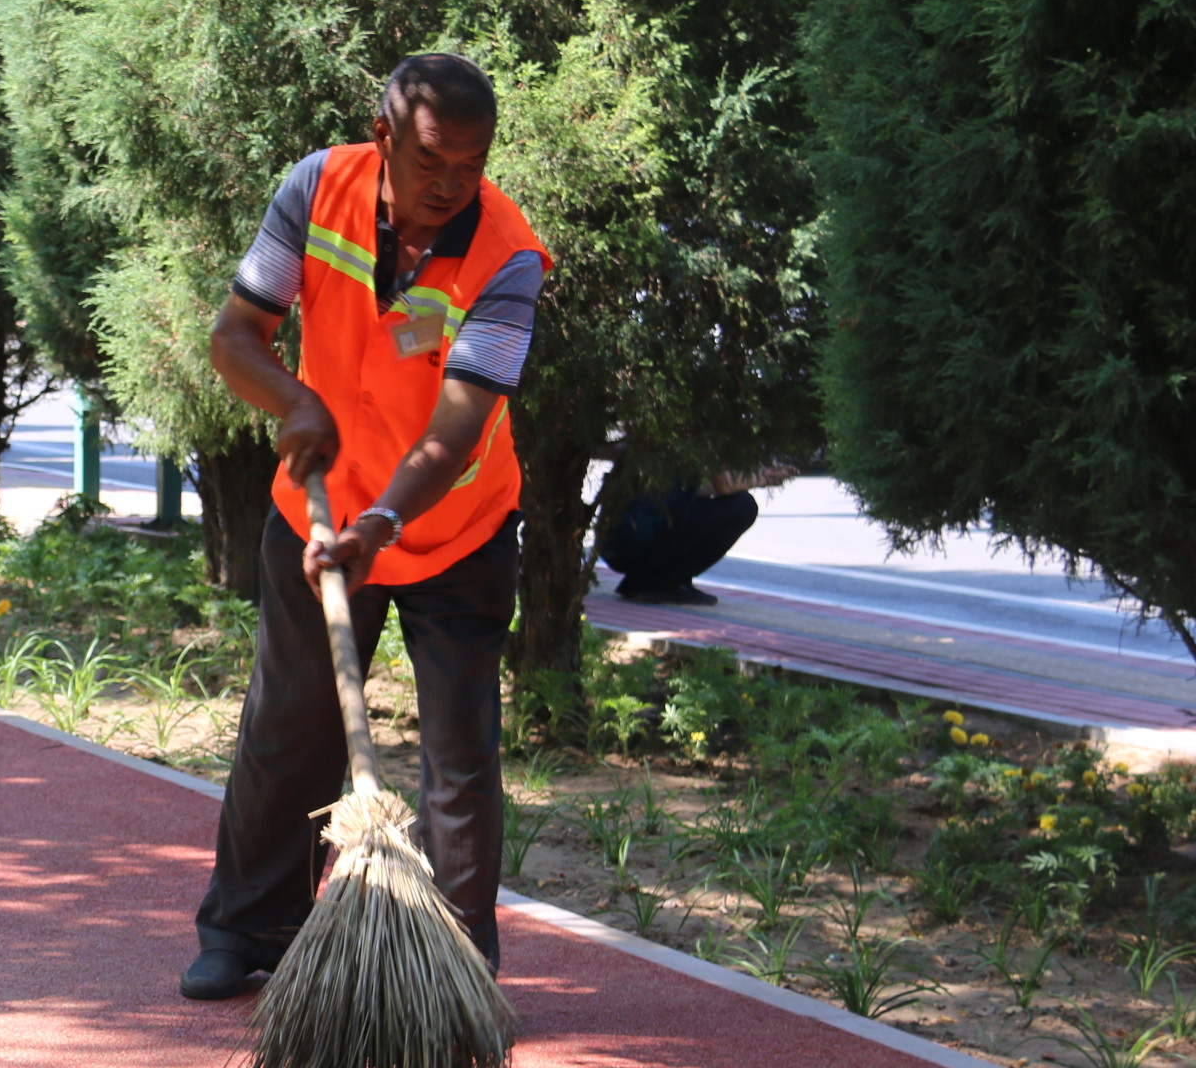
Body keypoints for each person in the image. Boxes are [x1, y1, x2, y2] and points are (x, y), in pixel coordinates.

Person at [181, 54, 550, 1002]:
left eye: (473, 164)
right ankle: (246, 927)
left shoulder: (507, 256)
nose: (452, 185)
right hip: (315, 513)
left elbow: (460, 424)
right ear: (382, 137)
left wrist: (384, 519)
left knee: (459, 759)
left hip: (454, 527)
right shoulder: (316, 188)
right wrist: (293, 402)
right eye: (432, 160)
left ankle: (459, 970)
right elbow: (237, 337)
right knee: (285, 727)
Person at [596, 464, 795, 606]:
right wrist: (766, 476)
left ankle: (641, 582)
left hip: (617, 543)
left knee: (710, 505)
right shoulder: (702, 427)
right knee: (742, 506)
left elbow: (690, 489)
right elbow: (724, 483)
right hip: (638, 542)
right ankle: (661, 583)